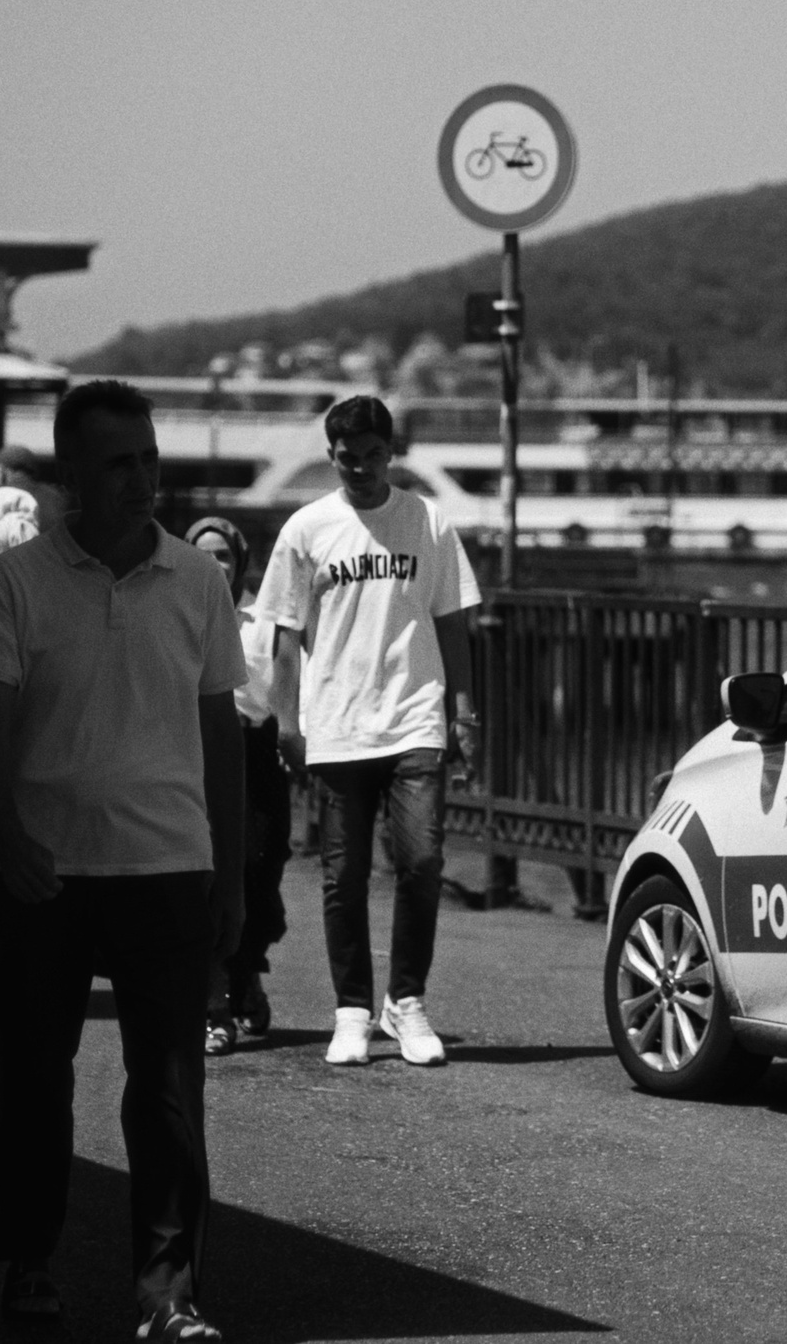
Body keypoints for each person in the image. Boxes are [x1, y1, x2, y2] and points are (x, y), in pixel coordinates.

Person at [0, 379, 244, 1335]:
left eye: (150, 458)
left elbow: (221, 742)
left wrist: (232, 879)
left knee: (167, 1095)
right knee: (34, 1084)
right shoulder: (17, 583)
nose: (142, 478)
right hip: (42, 874)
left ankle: (168, 1293)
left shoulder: (198, 581)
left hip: (165, 868)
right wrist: (7, 839)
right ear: (73, 472)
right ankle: (30, 1260)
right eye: (120, 462)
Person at [254, 394, 477, 1068]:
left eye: (372, 457)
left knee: (423, 862)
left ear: (391, 454)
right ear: (332, 455)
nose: (360, 469)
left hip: (414, 716)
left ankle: (405, 1002)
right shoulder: (307, 528)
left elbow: (453, 621)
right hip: (339, 724)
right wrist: (287, 722)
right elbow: (285, 636)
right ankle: (351, 1009)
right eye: (347, 459)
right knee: (343, 875)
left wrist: (463, 712)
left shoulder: (427, 522)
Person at [184, 516, 291, 1055]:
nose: (212, 565)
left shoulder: (262, 619)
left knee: (258, 871)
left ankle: (248, 970)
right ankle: (214, 1000)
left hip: (253, 753)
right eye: (200, 553)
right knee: (204, 875)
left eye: (222, 555)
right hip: (191, 754)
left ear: (240, 561)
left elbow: (282, 685)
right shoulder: (175, 610)